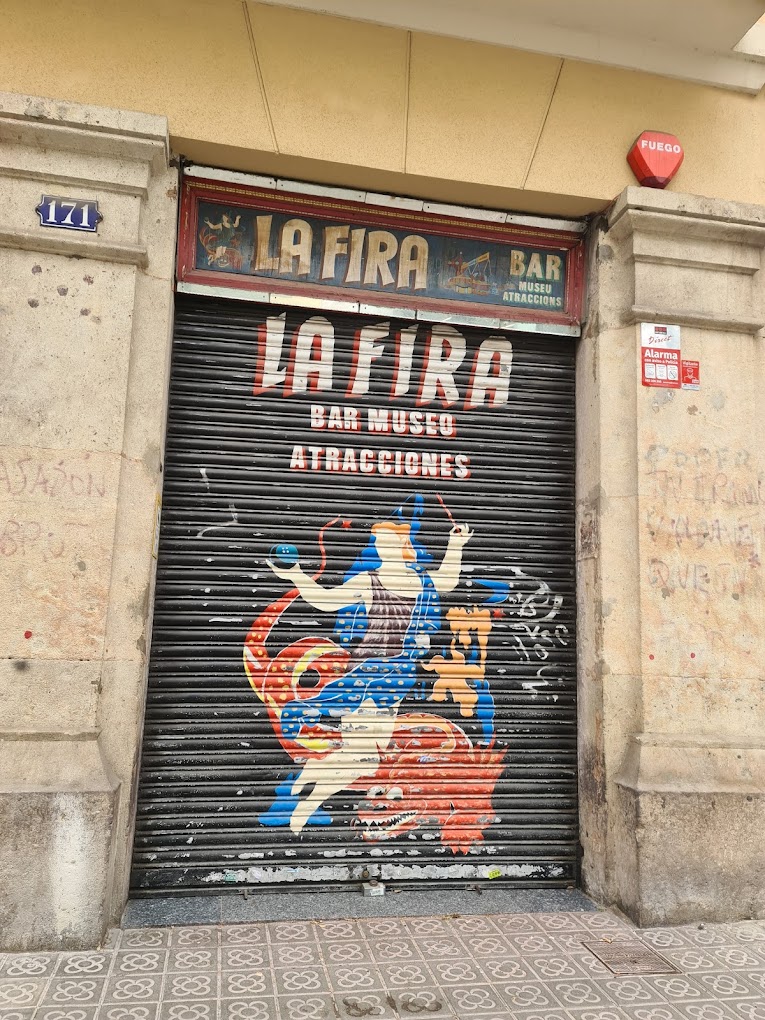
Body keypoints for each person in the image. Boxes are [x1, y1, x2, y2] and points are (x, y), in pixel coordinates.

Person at [266, 517, 473, 832]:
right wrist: (296, 574)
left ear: (403, 544)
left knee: (365, 756)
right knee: (363, 758)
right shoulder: (369, 580)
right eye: (378, 542)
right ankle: (301, 810)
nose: (380, 547)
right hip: (367, 674)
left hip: (397, 677)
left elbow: (447, 580)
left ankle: (308, 778)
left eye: (386, 541)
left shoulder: (420, 581)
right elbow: (327, 601)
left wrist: (455, 544)